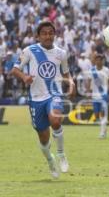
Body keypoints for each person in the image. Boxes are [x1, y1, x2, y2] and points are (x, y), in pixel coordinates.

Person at [11, 21, 75, 178]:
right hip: (36, 99)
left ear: (54, 34)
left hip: (54, 93)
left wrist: (71, 83)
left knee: (55, 121)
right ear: (38, 36)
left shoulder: (61, 53)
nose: (48, 36)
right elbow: (15, 70)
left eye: (50, 33)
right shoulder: (29, 51)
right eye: (44, 33)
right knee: (43, 138)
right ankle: (50, 160)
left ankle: (61, 154)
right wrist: (25, 77)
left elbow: (66, 74)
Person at [86, 53, 109, 139]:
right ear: (95, 60)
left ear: (102, 60)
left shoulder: (107, 70)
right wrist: (88, 92)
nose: (99, 61)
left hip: (104, 95)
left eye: (100, 59)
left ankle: (102, 133)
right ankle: (103, 128)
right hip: (95, 96)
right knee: (96, 115)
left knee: (103, 114)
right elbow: (89, 81)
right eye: (97, 59)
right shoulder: (92, 71)